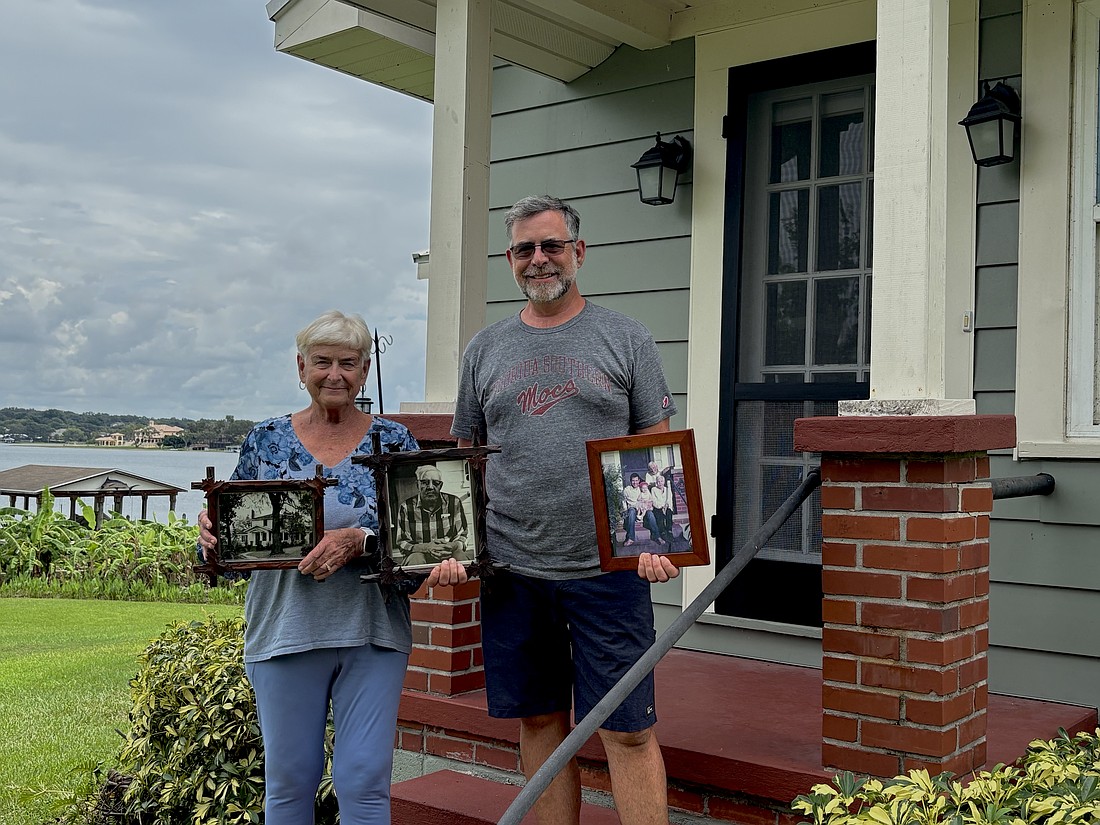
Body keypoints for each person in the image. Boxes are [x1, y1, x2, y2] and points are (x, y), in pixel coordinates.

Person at [443, 195, 680, 825]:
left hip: (609, 571)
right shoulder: (484, 349)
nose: (539, 259)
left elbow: (650, 446)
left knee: (626, 729)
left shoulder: (624, 337)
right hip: (514, 570)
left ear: (579, 252)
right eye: (526, 249)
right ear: (510, 260)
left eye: (551, 246)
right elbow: (468, 462)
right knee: (541, 722)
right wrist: (458, 547)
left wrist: (656, 538)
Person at [197, 310, 462, 825]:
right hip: (285, 631)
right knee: (289, 784)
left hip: (373, 634)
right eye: (322, 362)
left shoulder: (395, 442)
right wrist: (212, 536)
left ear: (365, 372)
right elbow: (232, 547)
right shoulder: (265, 442)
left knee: (365, 784)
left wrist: (359, 539)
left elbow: (417, 547)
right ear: (301, 367)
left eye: (348, 363)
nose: (335, 374)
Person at [395, 464, 471, 566]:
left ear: (441, 486)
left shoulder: (454, 502)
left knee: (461, 559)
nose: (430, 487)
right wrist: (427, 547)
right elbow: (403, 543)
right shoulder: (406, 507)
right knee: (416, 559)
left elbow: (463, 535)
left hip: (448, 552)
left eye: (436, 483)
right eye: (424, 482)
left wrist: (450, 546)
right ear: (417, 485)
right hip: (420, 552)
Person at [649, 473, 674, 546]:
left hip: (667, 507)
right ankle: (662, 532)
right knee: (659, 515)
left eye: (661, 481)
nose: (660, 483)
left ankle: (669, 531)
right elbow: (654, 501)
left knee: (669, 513)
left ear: (664, 482)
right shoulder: (654, 489)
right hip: (658, 507)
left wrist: (667, 506)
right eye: (658, 482)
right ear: (656, 483)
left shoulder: (667, 489)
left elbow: (670, 499)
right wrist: (661, 507)